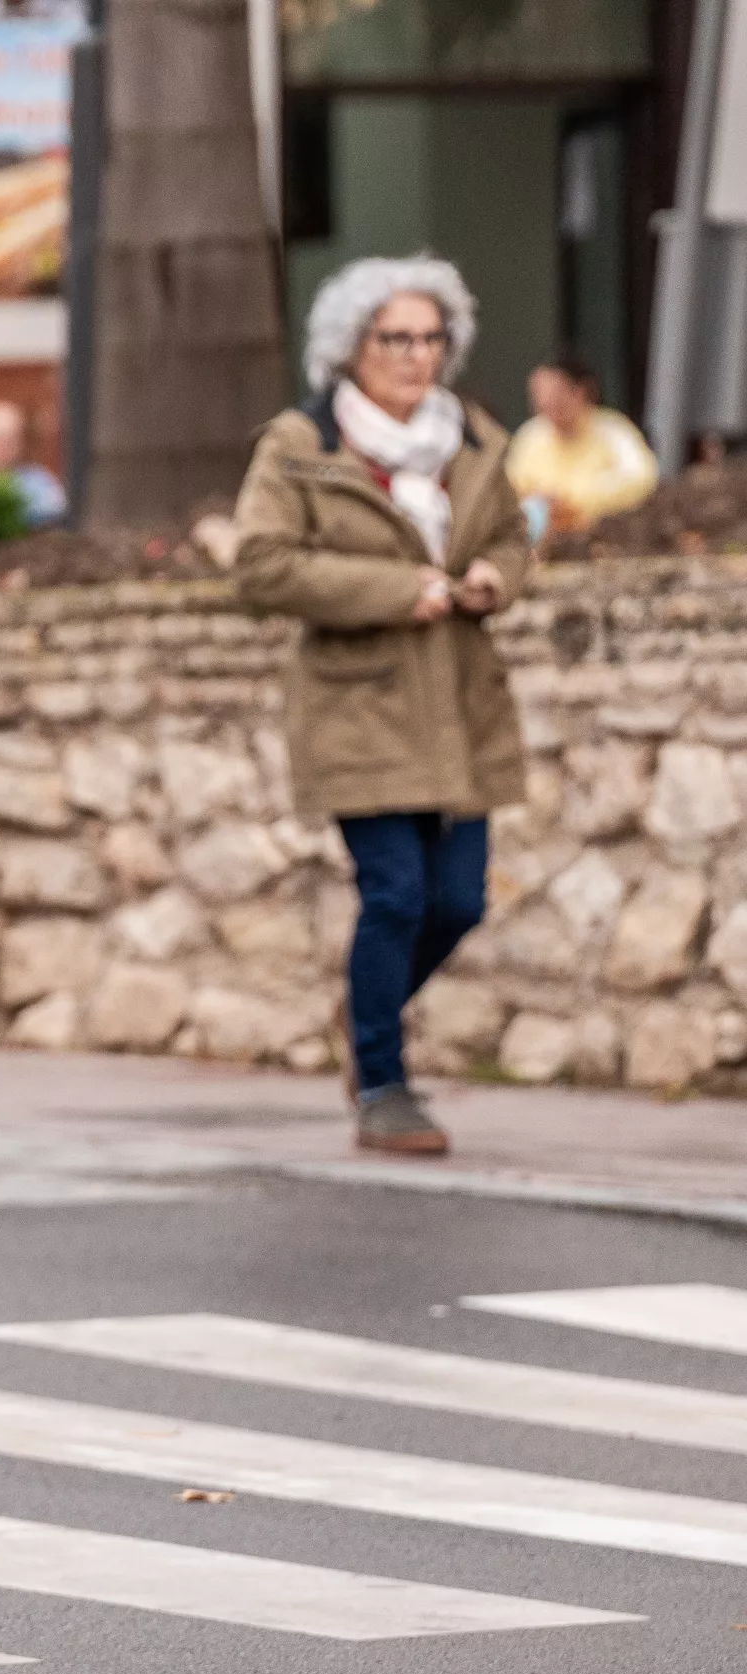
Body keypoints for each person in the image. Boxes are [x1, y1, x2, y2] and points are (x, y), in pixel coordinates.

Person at [235, 255, 527, 1158]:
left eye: (431, 337)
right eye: (394, 337)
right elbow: (262, 567)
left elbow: (515, 537)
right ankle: (384, 1083)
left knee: (461, 899)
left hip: (460, 699)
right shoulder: (300, 445)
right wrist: (398, 589)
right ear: (350, 345)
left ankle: (367, 1010)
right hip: (358, 703)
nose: (415, 355)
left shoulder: (472, 439)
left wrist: (494, 578)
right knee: (396, 893)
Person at [508, 352, 658, 537]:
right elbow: (509, 484)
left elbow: (642, 477)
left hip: (603, 538)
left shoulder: (613, 431)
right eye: (539, 395)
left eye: (556, 395)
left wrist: (573, 499)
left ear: (581, 392)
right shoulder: (531, 435)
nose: (545, 402)